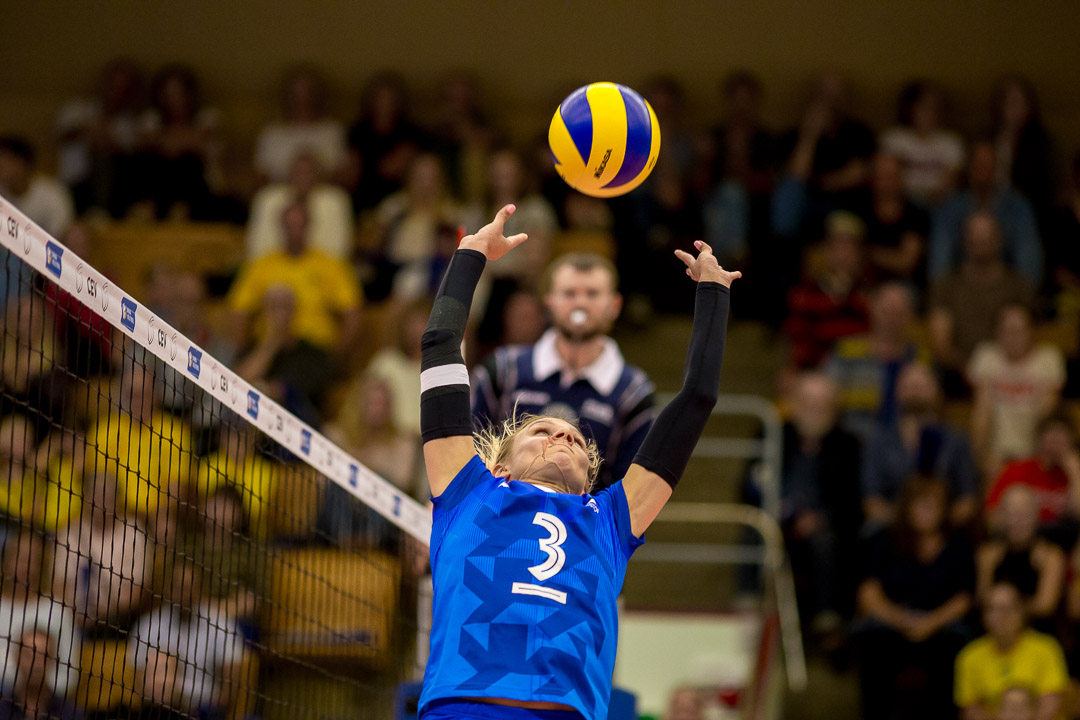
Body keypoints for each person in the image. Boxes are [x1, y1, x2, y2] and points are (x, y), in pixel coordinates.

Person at [418, 205, 738, 718]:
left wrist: (714, 294)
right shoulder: (466, 490)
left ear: (590, 479)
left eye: (573, 438)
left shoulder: (611, 520)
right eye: (541, 431)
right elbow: (439, 344)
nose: (563, 436)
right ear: (499, 465)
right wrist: (471, 254)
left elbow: (697, 398)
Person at [472, 252, 657, 491]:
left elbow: (631, 489)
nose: (580, 303)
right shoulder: (503, 369)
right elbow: (468, 450)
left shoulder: (633, 392)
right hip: (497, 509)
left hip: (585, 514)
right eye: (569, 293)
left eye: (592, 294)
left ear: (614, 305)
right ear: (549, 302)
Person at [856, 474, 975, 720]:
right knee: (872, 644)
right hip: (893, 624)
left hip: (942, 627)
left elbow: (964, 598)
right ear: (907, 507)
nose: (927, 512)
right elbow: (868, 593)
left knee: (953, 650)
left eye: (934, 505)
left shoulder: (959, 544)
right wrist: (900, 619)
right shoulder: (886, 540)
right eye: (921, 505)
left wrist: (930, 623)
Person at [779, 371, 862, 632]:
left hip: (827, 522)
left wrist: (821, 517)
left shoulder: (848, 444)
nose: (813, 410)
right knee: (756, 530)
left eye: (821, 404)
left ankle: (829, 612)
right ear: (794, 404)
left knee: (825, 540)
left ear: (834, 408)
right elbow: (750, 486)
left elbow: (852, 498)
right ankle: (749, 601)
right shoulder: (776, 436)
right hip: (779, 516)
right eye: (807, 402)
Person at [861, 363, 980, 530]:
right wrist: (908, 525)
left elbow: (968, 499)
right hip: (892, 530)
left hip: (945, 530)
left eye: (921, 387)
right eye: (909, 387)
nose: (914, 392)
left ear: (937, 391)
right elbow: (871, 500)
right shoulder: (879, 441)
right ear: (896, 392)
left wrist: (936, 526)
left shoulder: (957, 441)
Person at [928, 212, 1035, 387]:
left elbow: (1027, 336)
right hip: (957, 376)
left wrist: (999, 372)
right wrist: (973, 370)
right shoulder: (946, 285)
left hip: (1009, 375)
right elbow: (940, 344)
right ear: (965, 241)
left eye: (986, 238)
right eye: (974, 239)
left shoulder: (1017, 286)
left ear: (998, 240)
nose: (980, 244)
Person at [928, 140, 1042, 288]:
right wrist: (941, 294)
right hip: (962, 288)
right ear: (969, 169)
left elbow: (1028, 260)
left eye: (989, 166)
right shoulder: (951, 208)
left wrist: (1023, 294)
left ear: (998, 169)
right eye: (979, 165)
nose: (984, 172)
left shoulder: (1017, 208)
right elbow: (940, 261)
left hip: (1005, 287)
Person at [969, 305, 1065, 475]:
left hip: (1035, 453)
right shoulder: (986, 356)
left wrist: (1037, 459)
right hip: (997, 454)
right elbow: (981, 412)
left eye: (1019, 331)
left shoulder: (1048, 359)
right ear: (997, 333)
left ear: (1031, 332)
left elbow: (1047, 414)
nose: (1013, 338)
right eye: (1007, 331)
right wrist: (983, 457)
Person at [825, 282, 925, 441]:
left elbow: (932, 409)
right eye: (886, 312)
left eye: (899, 313)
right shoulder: (847, 352)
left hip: (907, 445)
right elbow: (826, 395)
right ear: (872, 309)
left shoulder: (920, 358)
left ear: (910, 315)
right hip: (853, 441)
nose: (891, 320)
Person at [954, 582, 1068, 720]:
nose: (999, 616)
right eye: (992, 609)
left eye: (1006, 608)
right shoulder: (970, 655)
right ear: (983, 615)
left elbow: (1051, 705)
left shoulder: (1046, 648)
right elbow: (970, 710)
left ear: (1021, 611)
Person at [782, 210, 870, 369]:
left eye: (849, 246)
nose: (843, 253)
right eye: (837, 245)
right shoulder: (805, 295)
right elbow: (797, 343)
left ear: (859, 253)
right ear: (826, 250)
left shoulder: (870, 295)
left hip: (863, 369)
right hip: (818, 371)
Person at [977, 486, 1065, 628]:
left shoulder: (1051, 555)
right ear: (1001, 516)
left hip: (1036, 630)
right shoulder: (988, 553)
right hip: (994, 629)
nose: (1017, 520)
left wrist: (1005, 609)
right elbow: (981, 599)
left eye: (1025, 513)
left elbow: (1045, 606)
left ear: (1037, 516)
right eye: (1011, 513)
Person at [245, 150, 355, 261]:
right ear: (289, 175)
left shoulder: (334, 203)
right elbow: (256, 251)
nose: (303, 178)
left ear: (318, 175)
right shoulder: (267, 200)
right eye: (298, 172)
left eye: (308, 172)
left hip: (322, 268)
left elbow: (340, 253)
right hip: (273, 268)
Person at [985, 414, 1080, 538]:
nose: (1056, 442)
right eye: (1051, 434)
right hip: (1024, 537)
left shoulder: (1074, 473)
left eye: (1061, 435)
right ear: (1039, 438)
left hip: (1063, 537)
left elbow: (1077, 515)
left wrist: (1074, 474)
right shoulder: (1017, 469)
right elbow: (992, 517)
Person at [254, 65, 346, 185]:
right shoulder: (272, 133)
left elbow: (341, 176)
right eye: (296, 94)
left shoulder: (332, 131)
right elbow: (261, 177)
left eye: (308, 93)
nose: (302, 99)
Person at [879, 80, 965, 208]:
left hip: (940, 205)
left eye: (933, 108)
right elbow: (888, 180)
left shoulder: (951, 143)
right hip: (902, 204)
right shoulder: (894, 140)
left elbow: (950, 183)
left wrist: (927, 199)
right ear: (910, 109)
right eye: (923, 107)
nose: (928, 113)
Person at [0, 628, 83, 720]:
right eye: (29, 656)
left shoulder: (72, 713)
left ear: (53, 660)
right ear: (16, 658)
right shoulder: (2, 710)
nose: (36, 664)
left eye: (43, 656)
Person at [0, 136, 75, 238]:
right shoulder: (2, 193)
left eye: (5, 160)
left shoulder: (52, 195)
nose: (1, 165)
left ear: (22, 164)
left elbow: (63, 237)